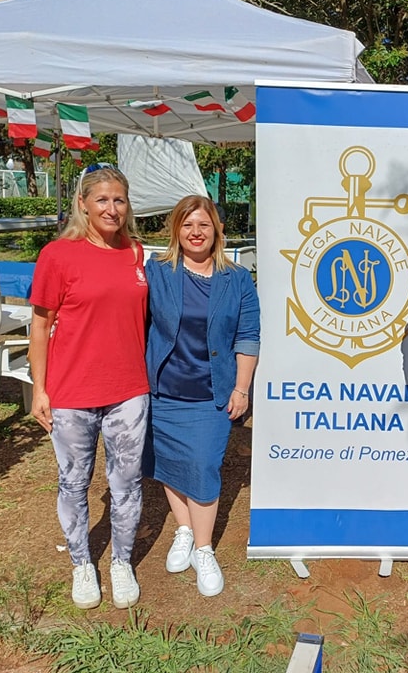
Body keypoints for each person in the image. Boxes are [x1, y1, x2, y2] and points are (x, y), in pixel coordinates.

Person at [28, 163, 149, 610]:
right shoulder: (58, 255)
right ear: (82, 203)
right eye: (102, 199)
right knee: (74, 482)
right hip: (72, 392)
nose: (111, 208)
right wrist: (40, 390)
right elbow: (39, 327)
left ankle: (121, 561)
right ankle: (82, 563)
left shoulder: (135, 253)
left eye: (119, 200)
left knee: (127, 483)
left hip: (129, 389)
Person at [145, 195, 260, 597]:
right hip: (163, 391)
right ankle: (183, 529)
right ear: (176, 229)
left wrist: (242, 388)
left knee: (204, 467)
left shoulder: (237, 279)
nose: (195, 232)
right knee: (170, 463)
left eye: (204, 225)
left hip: (212, 392)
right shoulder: (157, 272)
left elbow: (248, 336)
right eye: (187, 224)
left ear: (217, 231)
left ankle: (204, 549)